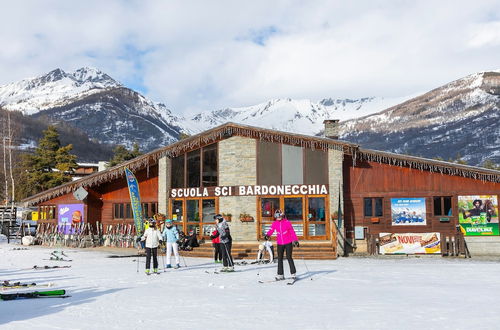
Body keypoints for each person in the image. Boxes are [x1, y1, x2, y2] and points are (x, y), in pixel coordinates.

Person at [265, 209, 299, 281]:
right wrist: (267, 235)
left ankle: (293, 274)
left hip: (288, 242)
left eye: (279, 216)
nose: (278, 217)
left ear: (282, 215)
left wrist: (295, 240)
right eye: (276, 216)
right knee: (279, 258)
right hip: (280, 243)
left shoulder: (287, 222)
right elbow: (271, 230)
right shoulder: (275, 223)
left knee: (289, 257)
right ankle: (280, 274)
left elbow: (292, 232)